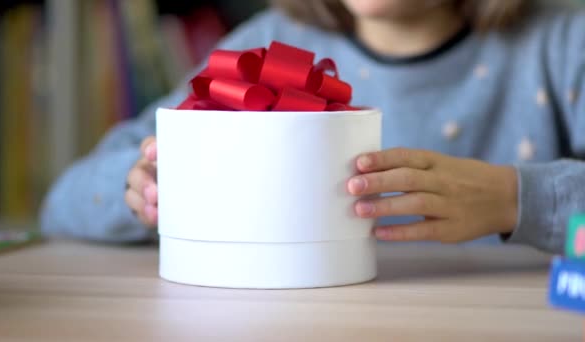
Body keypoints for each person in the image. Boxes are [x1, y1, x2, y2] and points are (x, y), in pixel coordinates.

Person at [40, 0, 585, 253]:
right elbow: (64, 201)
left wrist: (517, 200)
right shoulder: (264, 51)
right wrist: (140, 191)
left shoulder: (563, 45)